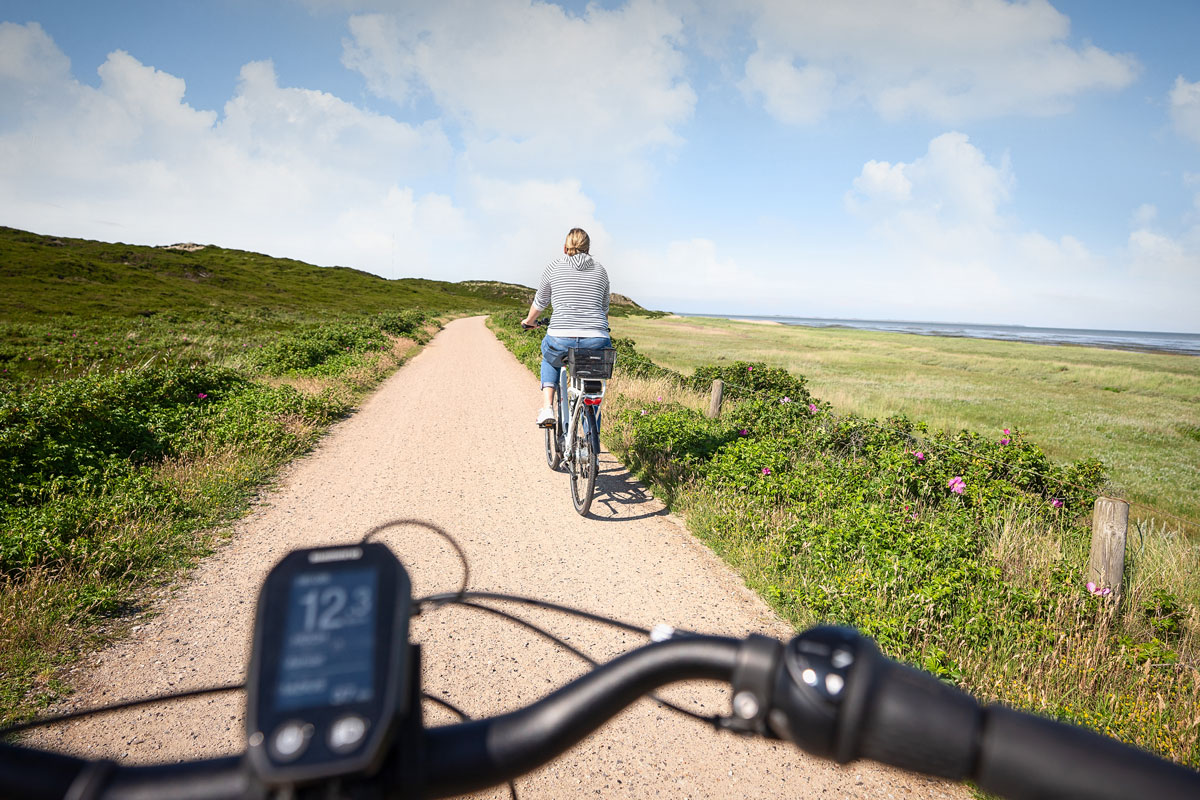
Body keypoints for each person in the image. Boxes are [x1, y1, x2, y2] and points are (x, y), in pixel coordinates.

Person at [521, 228, 611, 428]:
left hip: (560, 336)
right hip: (596, 337)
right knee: (592, 384)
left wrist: (529, 321)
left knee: (549, 358)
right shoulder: (601, 270)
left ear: (565, 248)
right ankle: (591, 439)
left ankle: (547, 408)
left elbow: (540, 302)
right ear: (588, 249)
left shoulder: (554, 267)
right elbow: (604, 309)